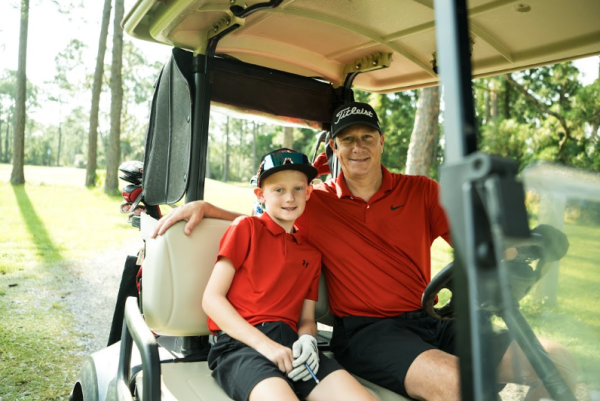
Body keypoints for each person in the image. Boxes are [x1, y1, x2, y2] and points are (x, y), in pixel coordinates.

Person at [155, 103, 577, 400]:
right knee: (463, 387)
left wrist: (526, 246)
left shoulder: (422, 191)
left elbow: (478, 242)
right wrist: (207, 207)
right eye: (346, 140)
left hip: (430, 320)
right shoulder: (315, 202)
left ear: (380, 140)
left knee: (557, 361)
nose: (357, 147)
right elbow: (267, 216)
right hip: (370, 331)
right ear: (334, 149)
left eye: (366, 137)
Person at [202, 148, 377, 401]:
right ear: (261, 195)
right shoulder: (246, 228)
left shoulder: (311, 254)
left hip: (293, 346)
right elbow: (211, 300)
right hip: (243, 345)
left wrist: (308, 340)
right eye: (279, 190)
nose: (290, 198)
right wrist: (266, 346)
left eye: (298, 189)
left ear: (308, 192)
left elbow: (306, 318)